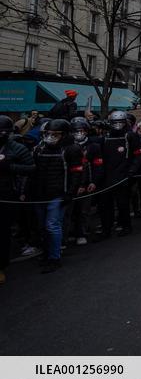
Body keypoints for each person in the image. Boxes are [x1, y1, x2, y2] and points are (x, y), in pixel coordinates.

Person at [30, 119, 85, 273]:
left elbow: (76, 172)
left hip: (58, 194)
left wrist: (70, 193)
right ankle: (47, 252)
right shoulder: (39, 149)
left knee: (52, 225)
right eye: (49, 134)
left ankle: (54, 257)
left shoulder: (71, 149)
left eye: (56, 134)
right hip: (40, 194)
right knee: (42, 226)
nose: (51, 137)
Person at [0, 115, 36, 284]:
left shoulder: (16, 148)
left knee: (2, 232)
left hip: (7, 194)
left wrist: (9, 166)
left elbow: (31, 168)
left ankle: (1, 266)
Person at [99, 110, 141, 238]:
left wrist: (131, 171)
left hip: (123, 175)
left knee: (122, 203)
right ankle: (106, 229)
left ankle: (126, 226)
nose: (117, 125)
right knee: (105, 204)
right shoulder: (106, 136)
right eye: (115, 122)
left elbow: (138, 155)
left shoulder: (130, 136)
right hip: (107, 175)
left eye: (120, 122)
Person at [67, 116, 100, 245]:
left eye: (81, 130)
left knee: (83, 210)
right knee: (70, 211)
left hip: (87, 183)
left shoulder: (94, 146)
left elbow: (98, 165)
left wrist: (94, 182)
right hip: (71, 183)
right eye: (76, 131)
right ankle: (71, 232)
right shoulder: (67, 147)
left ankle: (81, 232)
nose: (79, 133)